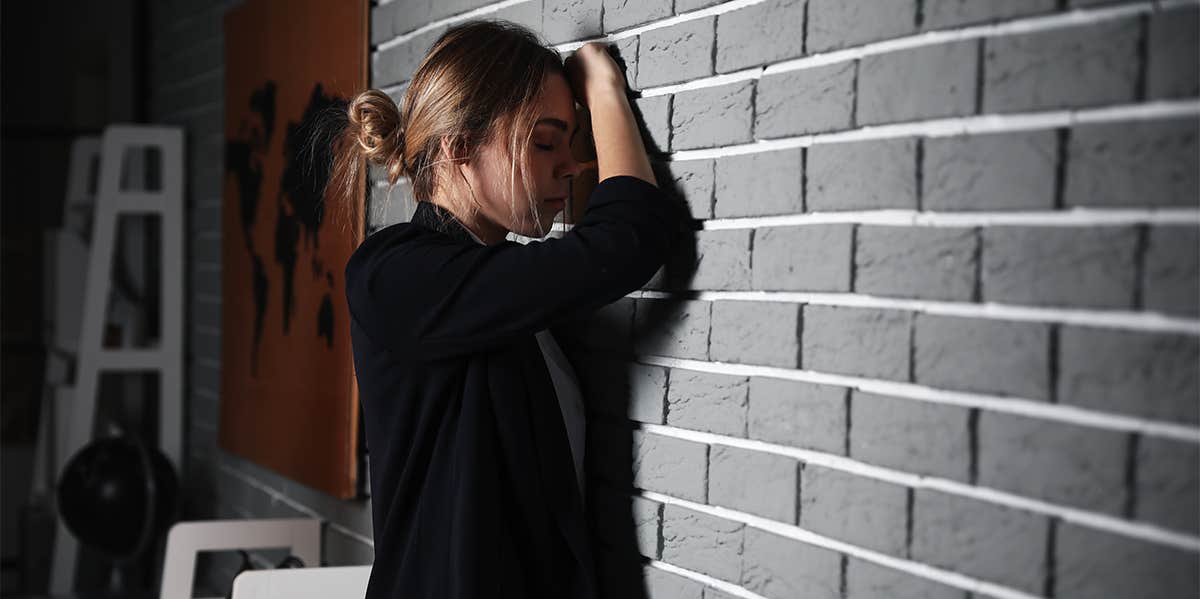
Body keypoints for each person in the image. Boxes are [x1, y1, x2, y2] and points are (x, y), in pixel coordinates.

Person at [327, 19, 684, 599]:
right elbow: (627, 239)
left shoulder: (503, 290)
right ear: (459, 145)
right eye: (545, 143)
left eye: (572, 143)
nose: (570, 166)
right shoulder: (395, 274)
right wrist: (601, 86)